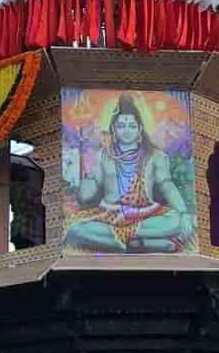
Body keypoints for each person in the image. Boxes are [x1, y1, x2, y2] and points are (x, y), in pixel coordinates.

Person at [64, 93, 194, 253]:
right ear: (113, 129)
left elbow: (168, 187)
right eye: (121, 126)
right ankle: (147, 244)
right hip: (110, 216)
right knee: (75, 230)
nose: (127, 131)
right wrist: (89, 173)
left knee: (174, 221)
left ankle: (131, 242)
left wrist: (183, 214)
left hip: (146, 214)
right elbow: (85, 196)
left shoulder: (155, 156)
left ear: (140, 129)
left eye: (132, 126)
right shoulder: (102, 155)